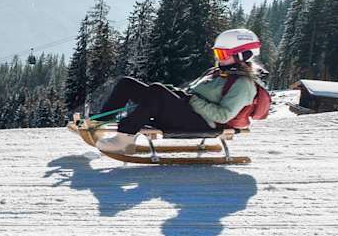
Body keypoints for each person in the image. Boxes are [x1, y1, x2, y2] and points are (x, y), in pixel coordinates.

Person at [94, 29, 266, 153]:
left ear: (242, 55)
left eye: (222, 54)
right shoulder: (218, 72)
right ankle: (99, 123)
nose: (218, 58)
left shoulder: (243, 84)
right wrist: (178, 93)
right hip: (187, 112)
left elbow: (223, 116)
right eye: (217, 53)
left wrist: (191, 100)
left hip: (201, 123)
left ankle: (124, 139)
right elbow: (193, 92)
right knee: (128, 84)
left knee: (158, 92)